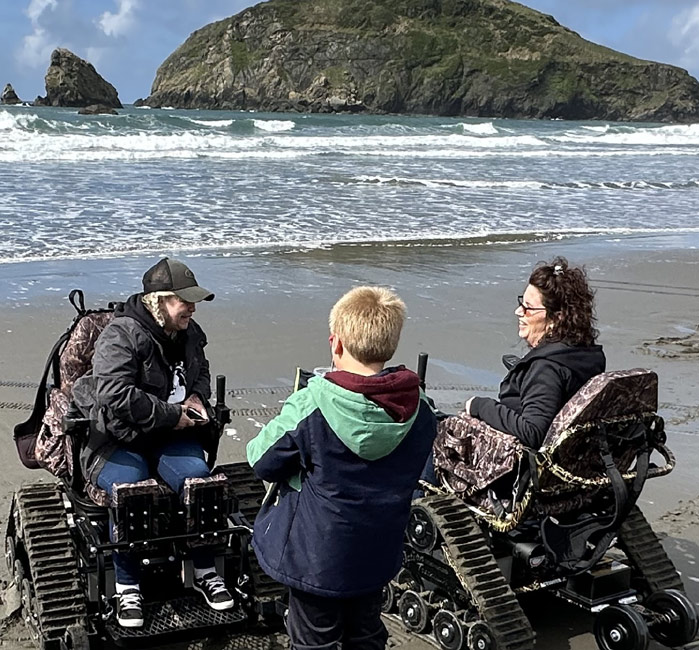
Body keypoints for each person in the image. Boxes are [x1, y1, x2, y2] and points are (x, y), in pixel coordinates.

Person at [246, 286, 437, 650]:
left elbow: (261, 459)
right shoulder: (421, 409)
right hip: (377, 548)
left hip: (317, 555)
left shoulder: (313, 403)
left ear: (336, 343)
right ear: (390, 344)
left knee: (314, 640)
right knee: (365, 633)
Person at [71, 257, 234, 629]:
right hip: (117, 438)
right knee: (134, 491)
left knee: (202, 483)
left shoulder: (189, 334)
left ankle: (205, 570)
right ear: (158, 300)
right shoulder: (121, 335)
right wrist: (171, 415)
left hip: (171, 436)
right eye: (184, 301)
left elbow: (202, 371)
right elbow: (114, 394)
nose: (192, 308)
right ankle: (127, 587)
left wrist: (196, 397)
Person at [464, 256, 606, 449]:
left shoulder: (546, 368)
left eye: (528, 308)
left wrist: (480, 406)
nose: (518, 311)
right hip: (576, 453)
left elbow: (533, 432)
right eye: (521, 303)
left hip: (521, 467)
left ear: (557, 317)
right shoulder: (587, 354)